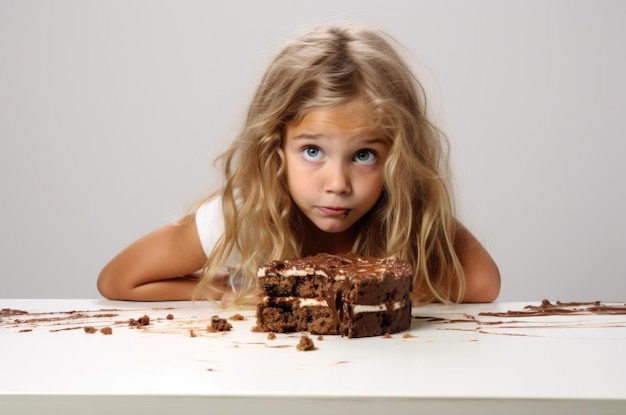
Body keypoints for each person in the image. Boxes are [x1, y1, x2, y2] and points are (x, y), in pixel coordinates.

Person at [97, 23, 500, 305]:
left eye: (364, 156)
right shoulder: (241, 215)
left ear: (398, 158)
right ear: (276, 148)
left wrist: (363, 292)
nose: (337, 183)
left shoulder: (403, 214)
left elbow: (484, 283)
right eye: (312, 152)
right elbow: (118, 280)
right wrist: (218, 290)